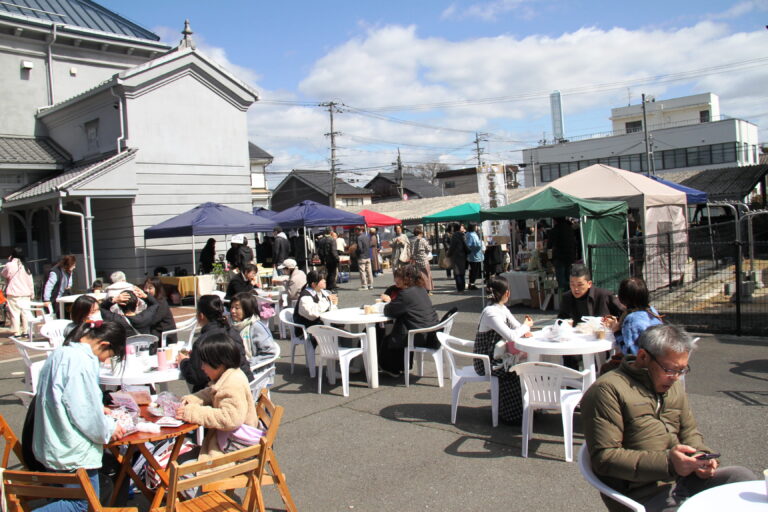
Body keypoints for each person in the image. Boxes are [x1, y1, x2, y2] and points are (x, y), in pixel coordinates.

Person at [581, 324, 756, 512]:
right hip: (641, 495)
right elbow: (605, 458)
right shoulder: (607, 391)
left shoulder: (673, 386)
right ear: (643, 357)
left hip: (683, 480)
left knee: (740, 478)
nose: (676, 378)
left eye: (682, 370)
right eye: (670, 370)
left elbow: (689, 431)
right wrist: (669, 463)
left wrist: (701, 456)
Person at [32, 321, 128, 510]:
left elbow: (65, 398)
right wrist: (109, 428)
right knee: (79, 505)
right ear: (104, 344)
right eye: (107, 357)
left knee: (63, 499)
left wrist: (98, 410)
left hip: (52, 445)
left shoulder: (60, 353)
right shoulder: (81, 361)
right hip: (71, 451)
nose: (105, 361)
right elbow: (85, 413)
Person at [176, 333, 259, 460]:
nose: (202, 367)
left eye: (205, 363)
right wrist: (190, 400)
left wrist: (192, 412)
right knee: (178, 460)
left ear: (219, 363)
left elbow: (230, 418)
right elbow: (210, 392)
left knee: (179, 471)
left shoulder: (232, 383)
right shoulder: (228, 376)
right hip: (227, 442)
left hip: (235, 449)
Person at [475, 277, 533, 424]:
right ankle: (513, 415)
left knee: (528, 366)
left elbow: (515, 327)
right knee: (517, 370)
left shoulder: (501, 308)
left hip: (497, 355)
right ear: (507, 293)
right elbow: (511, 335)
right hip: (486, 360)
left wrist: (523, 328)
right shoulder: (491, 313)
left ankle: (528, 410)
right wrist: (526, 326)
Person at [178, 295, 254, 393]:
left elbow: (196, 376)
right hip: (247, 384)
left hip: (223, 392)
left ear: (201, 316)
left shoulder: (203, 342)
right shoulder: (232, 332)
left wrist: (183, 361)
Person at [378, 264, 439, 376]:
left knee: (387, 335)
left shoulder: (405, 294)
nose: (396, 281)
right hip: (432, 333)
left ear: (406, 279)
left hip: (419, 335)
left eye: (399, 278)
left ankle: (391, 367)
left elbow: (389, 311)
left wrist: (388, 301)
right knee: (397, 330)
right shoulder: (421, 290)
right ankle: (402, 366)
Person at [603, 277, 663, 358]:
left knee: (606, 367)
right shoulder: (651, 310)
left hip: (646, 364)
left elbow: (630, 353)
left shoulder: (631, 320)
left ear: (622, 298)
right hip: (660, 356)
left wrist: (617, 332)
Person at [558, 264, 624, 325]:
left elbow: (624, 315)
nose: (576, 289)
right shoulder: (567, 298)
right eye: (572, 284)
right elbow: (560, 321)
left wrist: (615, 323)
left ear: (589, 284)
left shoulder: (604, 296)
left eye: (580, 285)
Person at [230, 292, 279, 367]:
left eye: (237, 308)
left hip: (255, 369)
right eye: (231, 307)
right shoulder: (231, 325)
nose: (233, 311)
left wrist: (248, 363)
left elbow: (270, 352)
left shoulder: (256, 327)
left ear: (247, 309)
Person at [292, 270, 338, 343]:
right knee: (338, 332)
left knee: (340, 328)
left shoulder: (323, 292)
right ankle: (334, 351)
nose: (325, 281)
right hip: (307, 329)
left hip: (320, 325)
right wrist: (327, 301)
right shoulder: (305, 296)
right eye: (322, 280)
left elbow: (330, 308)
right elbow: (312, 314)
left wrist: (333, 304)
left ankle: (337, 351)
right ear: (314, 284)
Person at [2, 247, 34, 337]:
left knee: (15, 313)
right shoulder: (26, 265)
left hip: (13, 292)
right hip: (26, 292)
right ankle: (26, 331)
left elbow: (3, 274)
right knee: (25, 313)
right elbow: (30, 280)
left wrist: (9, 261)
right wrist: (32, 293)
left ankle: (17, 332)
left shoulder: (9, 265)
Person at [142, 276, 178, 344]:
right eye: (145, 287)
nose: (147, 290)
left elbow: (152, 321)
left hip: (165, 337)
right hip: (156, 332)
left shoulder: (161, 302)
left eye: (150, 288)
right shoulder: (148, 301)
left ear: (157, 289)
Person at [548, 217, 577, 293]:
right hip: (570, 256)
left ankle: (563, 298)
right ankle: (570, 296)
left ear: (555, 220)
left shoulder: (555, 230)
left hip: (559, 257)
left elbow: (549, 245)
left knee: (561, 281)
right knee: (569, 278)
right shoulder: (570, 229)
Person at [409, 227, 433, 293]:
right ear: (420, 233)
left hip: (417, 261)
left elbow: (411, 252)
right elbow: (429, 249)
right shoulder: (423, 240)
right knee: (427, 275)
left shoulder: (412, 241)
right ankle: (428, 289)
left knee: (419, 276)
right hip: (424, 260)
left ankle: (420, 289)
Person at [447, 223, 468, 293]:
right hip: (463, 255)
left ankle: (460, 289)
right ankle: (463, 287)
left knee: (457, 273)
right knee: (462, 272)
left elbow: (452, 247)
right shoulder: (463, 235)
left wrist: (448, 254)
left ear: (454, 228)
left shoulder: (454, 236)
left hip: (456, 256)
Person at [465, 224, 484, 290]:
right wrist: (479, 245)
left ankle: (472, 283)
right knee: (474, 270)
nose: (477, 227)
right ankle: (472, 284)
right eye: (476, 226)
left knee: (474, 270)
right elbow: (469, 245)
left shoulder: (470, 234)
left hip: (474, 255)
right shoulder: (471, 235)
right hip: (475, 255)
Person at [355, 226, 374, 291]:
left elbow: (360, 248)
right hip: (368, 256)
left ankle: (364, 285)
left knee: (362, 271)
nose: (355, 232)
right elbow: (370, 245)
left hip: (361, 256)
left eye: (356, 230)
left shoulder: (359, 238)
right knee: (369, 271)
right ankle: (371, 285)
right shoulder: (367, 236)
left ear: (358, 230)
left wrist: (356, 252)